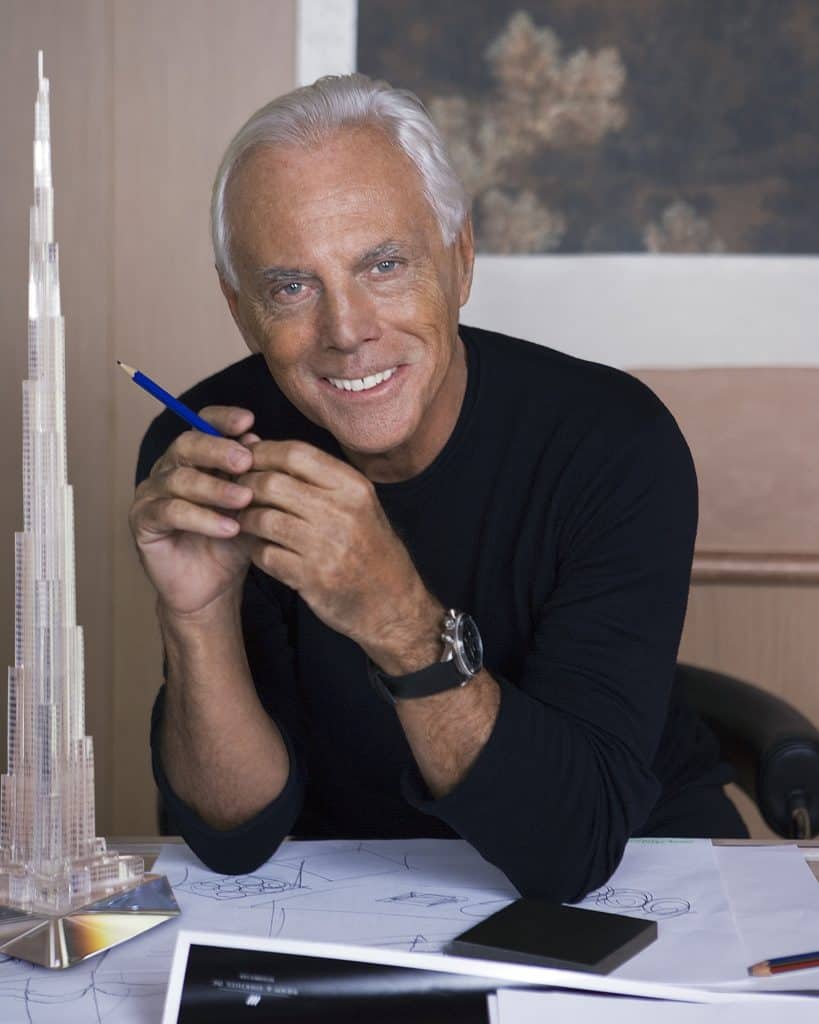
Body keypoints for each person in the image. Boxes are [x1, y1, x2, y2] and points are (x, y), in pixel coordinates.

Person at [131, 73, 746, 903]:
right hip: (354, 886)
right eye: (290, 286)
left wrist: (394, 617)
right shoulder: (206, 447)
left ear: (459, 261)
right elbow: (233, 837)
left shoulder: (613, 443)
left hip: (635, 875)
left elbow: (570, 851)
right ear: (240, 308)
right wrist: (196, 615)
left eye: (384, 264)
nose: (346, 332)